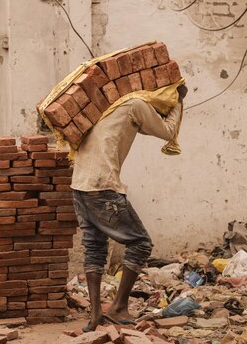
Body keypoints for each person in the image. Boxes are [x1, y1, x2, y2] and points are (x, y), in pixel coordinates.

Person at [71, 84, 188, 331]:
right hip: (102, 186)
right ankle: (118, 307)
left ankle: (94, 316)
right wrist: (178, 101)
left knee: (94, 247)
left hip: (80, 185)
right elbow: (167, 131)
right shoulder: (136, 104)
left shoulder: (111, 105)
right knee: (141, 243)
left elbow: (140, 128)